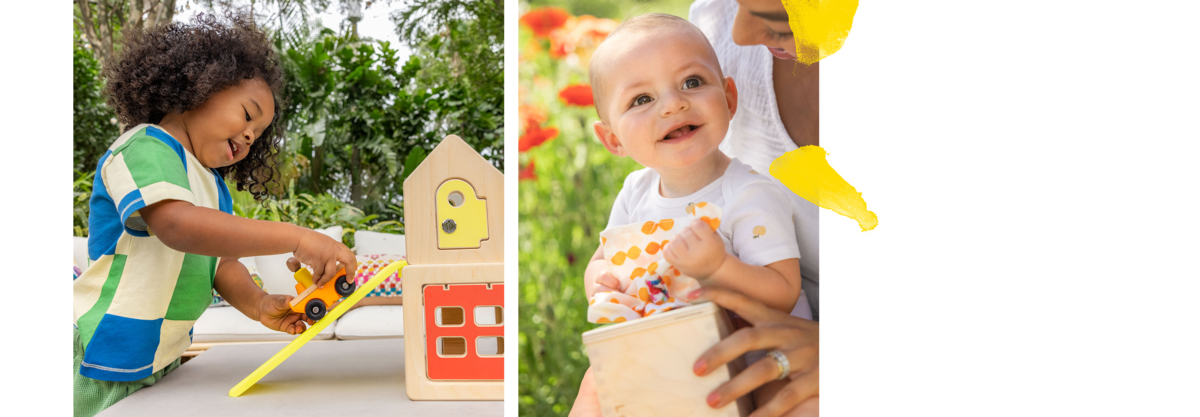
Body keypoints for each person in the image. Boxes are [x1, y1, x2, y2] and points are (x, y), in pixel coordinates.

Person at [71, 12, 356, 417]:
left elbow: (220, 262)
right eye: (247, 115)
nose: (249, 135)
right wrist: (298, 236)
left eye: (257, 134)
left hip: (160, 354)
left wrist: (258, 304)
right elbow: (177, 226)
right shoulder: (144, 146)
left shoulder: (211, 184)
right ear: (198, 86)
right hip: (105, 354)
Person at [573, 12, 809, 416]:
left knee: (791, 403)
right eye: (642, 99)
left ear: (729, 99)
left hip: (761, 349)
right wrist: (602, 283)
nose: (674, 104)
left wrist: (718, 266)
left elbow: (784, 293)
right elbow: (602, 259)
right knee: (596, 391)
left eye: (692, 82)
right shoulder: (635, 192)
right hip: (675, 344)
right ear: (613, 139)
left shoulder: (749, 193)